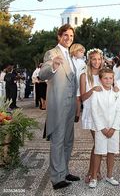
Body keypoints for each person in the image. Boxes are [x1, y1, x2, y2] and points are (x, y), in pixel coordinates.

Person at [39, 24, 80, 190]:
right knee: (58, 140)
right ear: (59, 36)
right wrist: (53, 66)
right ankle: (57, 179)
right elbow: (42, 74)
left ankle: (64, 171)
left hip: (70, 105)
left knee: (68, 140)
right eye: (65, 35)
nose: (68, 38)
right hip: (58, 104)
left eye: (71, 36)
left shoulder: (69, 55)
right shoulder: (52, 53)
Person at [89, 68, 120, 188]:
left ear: (113, 79)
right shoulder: (96, 93)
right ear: (100, 79)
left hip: (113, 128)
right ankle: (93, 177)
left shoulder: (117, 93)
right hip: (100, 128)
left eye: (110, 78)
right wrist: (102, 128)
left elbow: (119, 111)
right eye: (105, 78)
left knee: (111, 152)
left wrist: (113, 128)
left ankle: (109, 175)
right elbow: (94, 111)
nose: (108, 80)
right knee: (99, 152)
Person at [80, 48, 103, 183]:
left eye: (99, 59)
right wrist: (92, 90)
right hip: (91, 112)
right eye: (94, 59)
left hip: (103, 112)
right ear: (89, 60)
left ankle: (94, 171)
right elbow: (82, 97)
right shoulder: (84, 75)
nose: (97, 61)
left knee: (99, 144)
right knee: (98, 143)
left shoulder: (103, 74)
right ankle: (93, 172)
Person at [70, 43, 86, 121]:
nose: (83, 54)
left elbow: (84, 72)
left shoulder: (82, 62)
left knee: (78, 98)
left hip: (79, 81)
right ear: (75, 51)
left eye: (83, 52)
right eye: (81, 52)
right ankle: (71, 113)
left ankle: (77, 114)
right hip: (71, 82)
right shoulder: (69, 60)